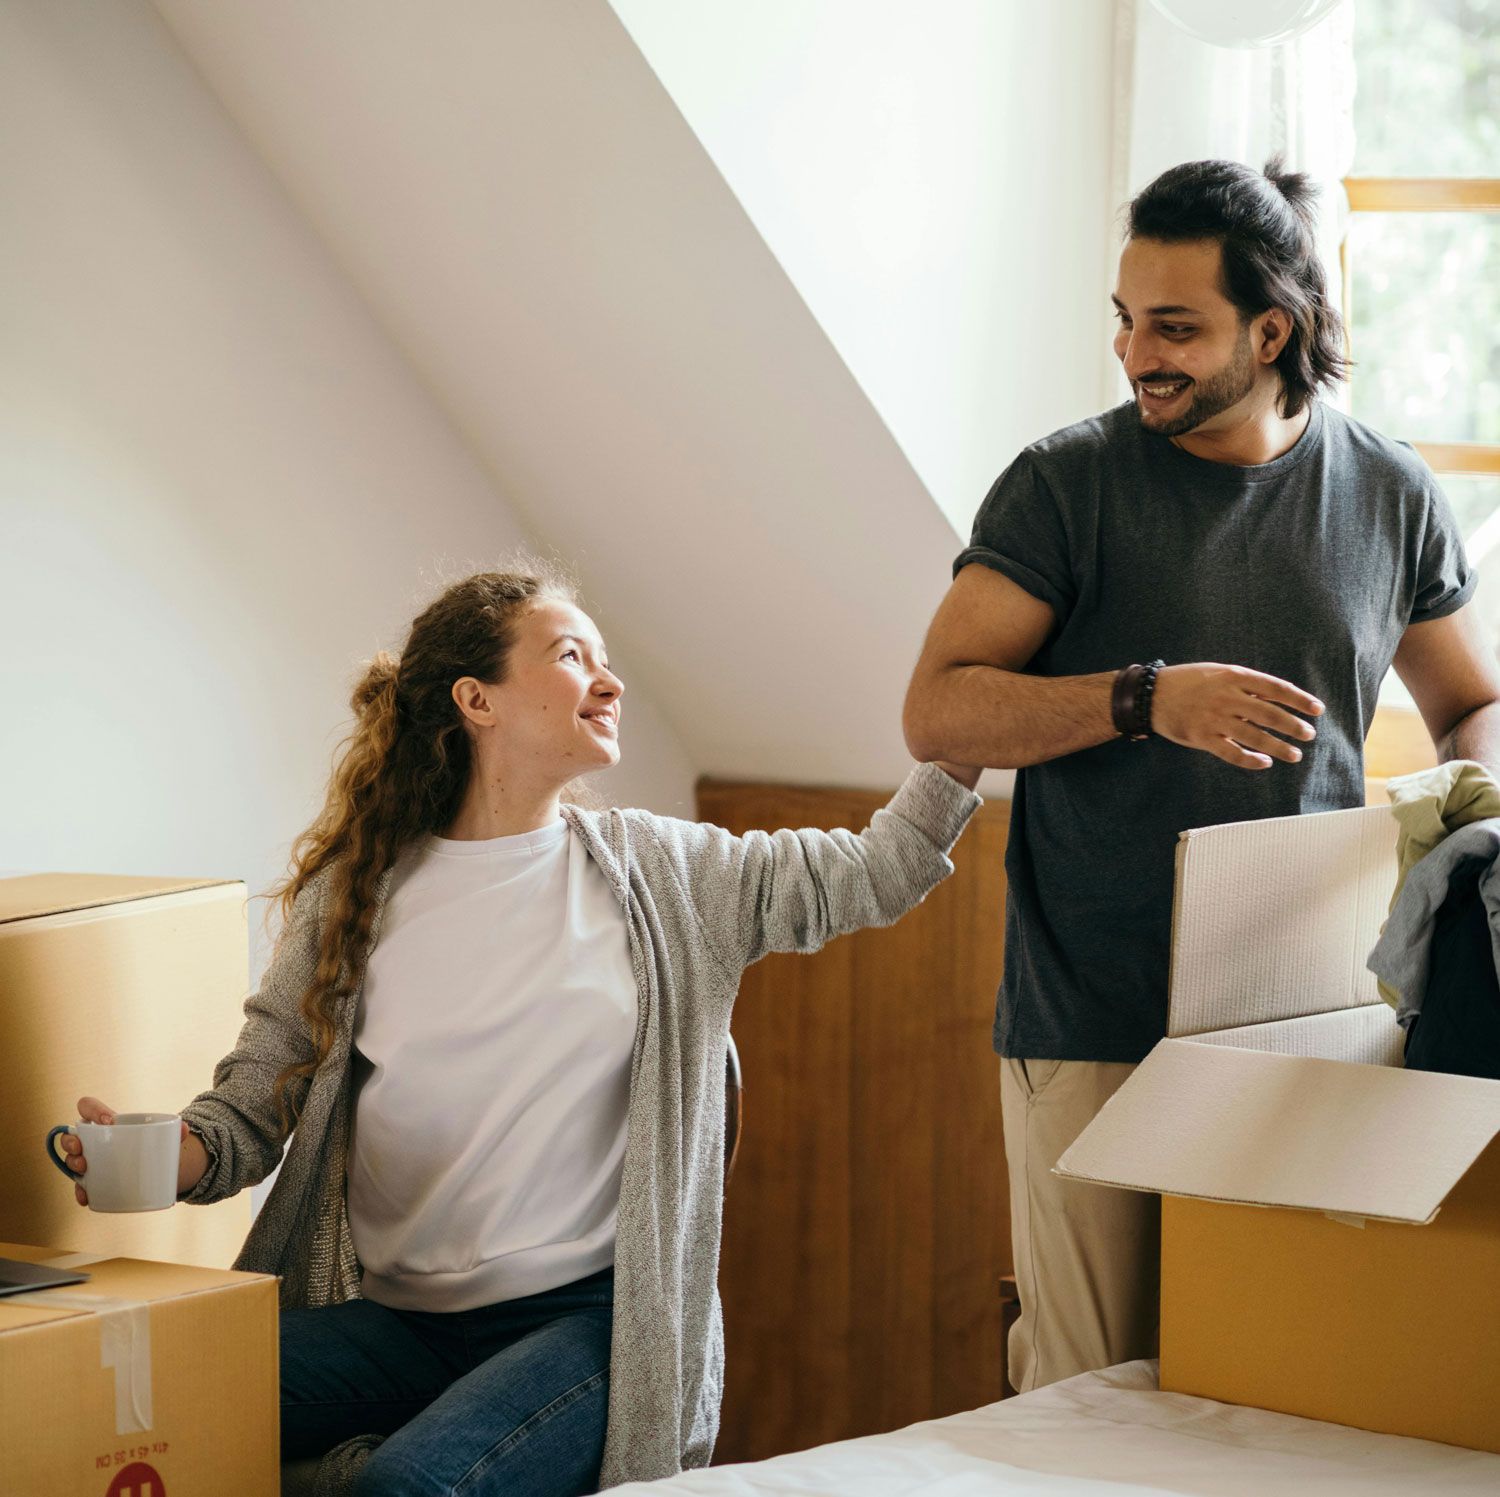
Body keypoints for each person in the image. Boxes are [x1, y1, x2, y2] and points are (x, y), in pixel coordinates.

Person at [59, 565, 981, 1496]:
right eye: (573, 656)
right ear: (477, 700)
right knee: (112, 1403)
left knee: (405, 1489)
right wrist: (149, 1155)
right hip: (400, 1322)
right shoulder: (358, 892)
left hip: (585, 1328)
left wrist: (967, 721)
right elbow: (253, 1108)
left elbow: (876, 869)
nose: (611, 682)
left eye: (607, 660)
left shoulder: (670, 874)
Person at [902, 158, 1500, 1396]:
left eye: (1175, 327)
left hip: (1305, 1024)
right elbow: (937, 708)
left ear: (1271, 328)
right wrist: (1143, 697)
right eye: (1126, 322)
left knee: (1262, 1383)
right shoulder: (1068, 483)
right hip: (1094, 1021)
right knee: (1086, 1394)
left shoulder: (1387, 489)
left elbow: (1473, 703)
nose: (1137, 355)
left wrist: (1472, 814)